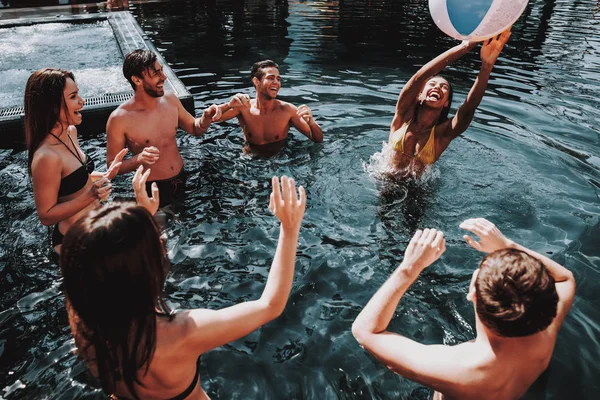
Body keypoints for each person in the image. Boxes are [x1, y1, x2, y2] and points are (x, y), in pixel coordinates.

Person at [61, 175, 305, 399]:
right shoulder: (183, 333)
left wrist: (138, 220)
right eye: (156, 240)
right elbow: (270, 305)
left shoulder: (82, 318)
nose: (164, 238)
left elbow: (100, 267)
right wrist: (289, 228)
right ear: (146, 269)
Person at [352, 218, 576, 400]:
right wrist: (509, 246)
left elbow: (365, 331)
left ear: (472, 294)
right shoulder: (543, 335)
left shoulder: (459, 367)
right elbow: (565, 279)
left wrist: (410, 267)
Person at [25, 68, 127, 254]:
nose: (82, 101)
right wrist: (91, 196)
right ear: (53, 106)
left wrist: (105, 175)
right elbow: (46, 216)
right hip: (75, 243)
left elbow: (76, 178)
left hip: (96, 227)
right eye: (73, 96)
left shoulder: (70, 132)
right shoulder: (46, 157)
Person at [387, 29, 511, 175]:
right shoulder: (402, 116)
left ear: (446, 103)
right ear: (420, 94)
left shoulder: (442, 134)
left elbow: (468, 109)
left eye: (444, 87)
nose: (438, 87)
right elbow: (419, 77)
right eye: (432, 84)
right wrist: (464, 47)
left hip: (418, 195)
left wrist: (486, 67)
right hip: (384, 185)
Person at [106, 49, 220, 207]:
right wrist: (137, 159)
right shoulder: (119, 118)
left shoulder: (170, 99)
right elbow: (112, 166)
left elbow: (195, 129)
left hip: (183, 178)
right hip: (153, 189)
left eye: (161, 71)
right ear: (137, 80)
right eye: (156, 73)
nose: (164, 77)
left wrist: (206, 118)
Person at [202, 60, 323, 155]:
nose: (276, 82)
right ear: (256, 81)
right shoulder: (243, 107)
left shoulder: (288, 110)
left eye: (278, 79)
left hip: (280, 159)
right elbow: (210, 118)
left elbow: (317, 139)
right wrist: (228, 105)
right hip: (249, 159)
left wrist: (312, 123)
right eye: (271, 78)